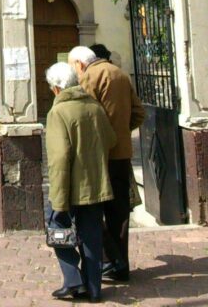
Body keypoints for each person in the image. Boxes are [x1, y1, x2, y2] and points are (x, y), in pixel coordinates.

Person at [69, 44, 146, 283]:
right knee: (119, 212)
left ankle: (109, 261)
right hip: (121, 154)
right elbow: (139, 113)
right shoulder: (120, 74)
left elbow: (84, 115)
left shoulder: (89, 77)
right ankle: (121, 266)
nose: (76, 72)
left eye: (75, 68)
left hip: (97, 156)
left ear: (80, 64)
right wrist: (121, 132)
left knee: (89, 210)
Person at [44, 61, 116, 302]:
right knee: (92, 237)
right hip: (96, 184)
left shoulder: (58, 113)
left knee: (57, 231)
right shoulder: (94, 107)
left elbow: (59, 158)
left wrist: (58, 197)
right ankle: (94, 288)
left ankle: (73, 281)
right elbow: (110, 139)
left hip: (69, 186)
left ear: (56, 88)